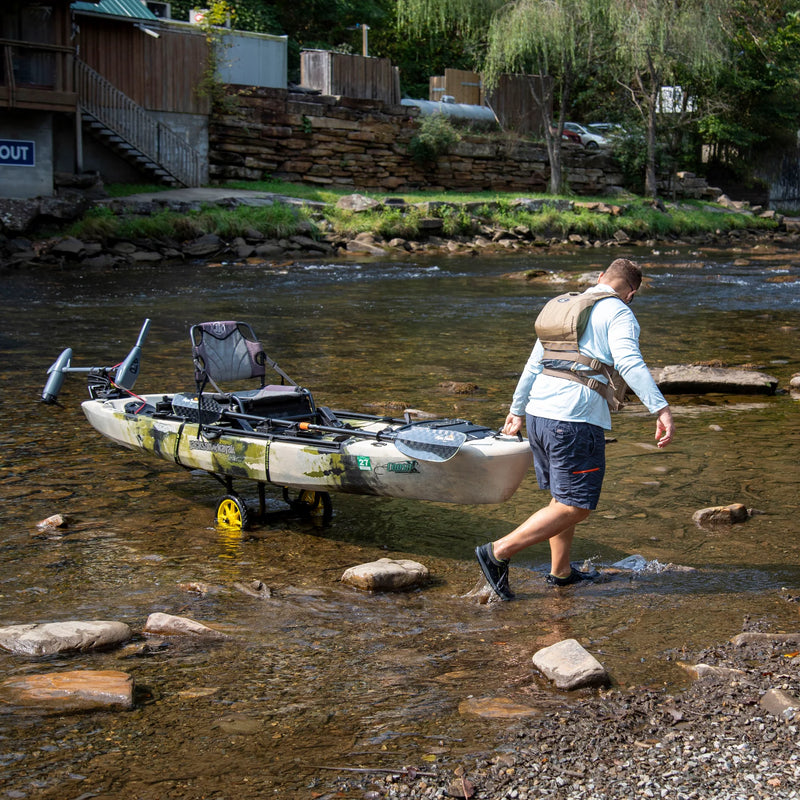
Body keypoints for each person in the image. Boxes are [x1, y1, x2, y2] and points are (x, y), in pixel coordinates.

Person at [475, 258, 674, 601]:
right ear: (631, 293)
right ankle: (498, 552)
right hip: (573, 418)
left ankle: (561, 572)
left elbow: (533, 364)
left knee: (561, 498)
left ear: (600, 277)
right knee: (577, 506)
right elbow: (629, 361)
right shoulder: (619, 312)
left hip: (539, 414)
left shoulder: (565, 308)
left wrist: (516, 410)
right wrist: (661, 408)